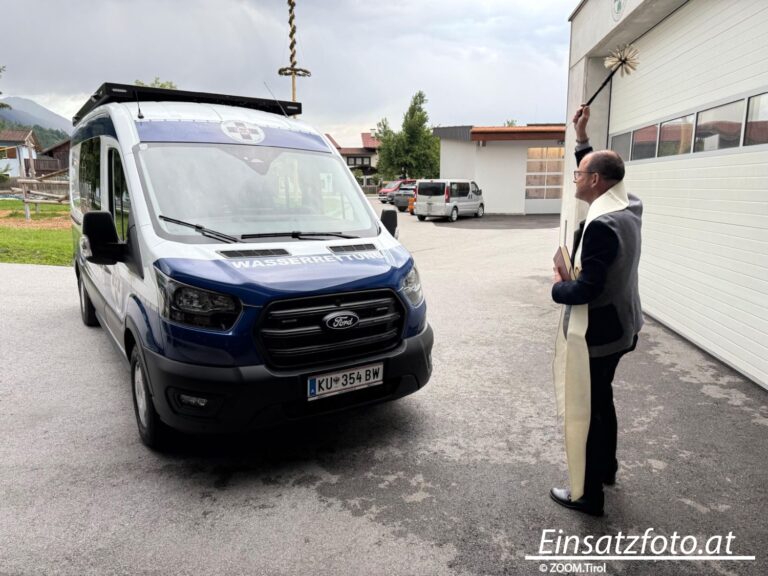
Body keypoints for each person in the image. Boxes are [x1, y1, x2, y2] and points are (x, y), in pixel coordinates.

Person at [549, 105, 643, 516]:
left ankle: (587, 494)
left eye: (579, 173)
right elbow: (602, 169)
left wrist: (558, 286)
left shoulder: (602, 226)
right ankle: (606, 468)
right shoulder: (628, 204)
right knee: (602, 400)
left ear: (595, 182)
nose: (575, 178)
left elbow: (587, 289)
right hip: (625, 326)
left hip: (600, 334)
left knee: (586, 409)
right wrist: (582, 137)